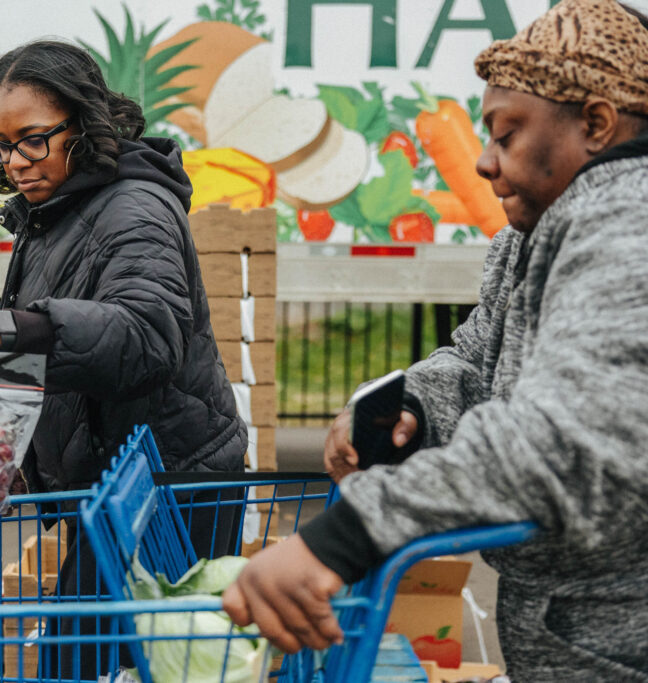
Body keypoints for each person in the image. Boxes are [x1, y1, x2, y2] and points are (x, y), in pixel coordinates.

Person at [222, 0, 648, 680]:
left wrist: (343, 537)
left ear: (596, 124)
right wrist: (411, 403)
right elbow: (478, 357)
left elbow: (563, 436)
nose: (482, 162)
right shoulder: (532, 234)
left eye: (507, 134)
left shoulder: (628, 224)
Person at [0, 39, 247, 676]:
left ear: (83, 126)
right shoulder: (55, 213)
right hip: (118, 491)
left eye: (33, 138)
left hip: (171, 494)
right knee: (79, 663)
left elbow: (147, 336)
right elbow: (67, 357)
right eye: (0, 146)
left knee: (86, 667)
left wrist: (4, 330)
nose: (16, 162)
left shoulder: (134, 207)